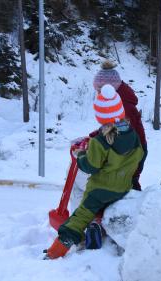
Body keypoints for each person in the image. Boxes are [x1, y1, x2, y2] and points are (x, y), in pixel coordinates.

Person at [45, 85, 144, 259]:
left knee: (80, 216)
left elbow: (90, 166)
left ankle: (57, 249)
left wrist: (81, 154)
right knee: (101, 209)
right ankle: (96, 228)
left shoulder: (100, 140)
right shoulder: (132, 135)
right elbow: (140, 153)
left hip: (99, 189)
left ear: (101, 116)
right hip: (122, 188)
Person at [93, 60, 147, 190]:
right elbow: (111, 126)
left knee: (128, 182)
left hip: (134, 151)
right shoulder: (117, 100)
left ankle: (137, 205)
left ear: (109, 89)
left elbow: (120, 129)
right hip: (130, 149)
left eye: (100, 90)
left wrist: (98, 139)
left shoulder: (123, 106)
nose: (99, 94)